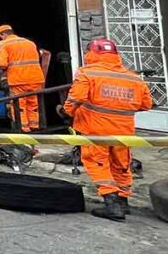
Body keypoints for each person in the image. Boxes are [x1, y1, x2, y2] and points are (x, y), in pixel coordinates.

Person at [59, 38, 152, 222]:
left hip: (95, 130)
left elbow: (76, 99)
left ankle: (112, 205)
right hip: (124, 131)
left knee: (98, 164)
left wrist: (65, 111)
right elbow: (146, 104)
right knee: (121, 165)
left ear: (92, 54)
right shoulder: (132, 77)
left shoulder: (87, 73)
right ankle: (123, 201)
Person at [0, 25, 45, 132]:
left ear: (3, 34)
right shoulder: (29, 42)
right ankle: (34, 126)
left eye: (0, 36)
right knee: (33, 103)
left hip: (18, 80)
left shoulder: (4, 44)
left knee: (19, 105)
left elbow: (2, 63)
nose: (1, 39)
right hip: (36, 78)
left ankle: (23, 128)